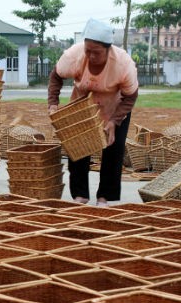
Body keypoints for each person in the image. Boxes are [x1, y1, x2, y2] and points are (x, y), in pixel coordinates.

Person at [48, 18, 139, 207]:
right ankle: (80, 195)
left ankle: (104, 197)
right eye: (87, 51)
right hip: (83, 105)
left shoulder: (123, 63)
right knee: (78, 147)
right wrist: (53, 104)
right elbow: (56, 75)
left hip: (115, 107)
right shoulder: (74, 55)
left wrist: (114, 121)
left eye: (96, 52)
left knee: (113, 150)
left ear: (108, 49)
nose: (90, 56)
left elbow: (130, 95)